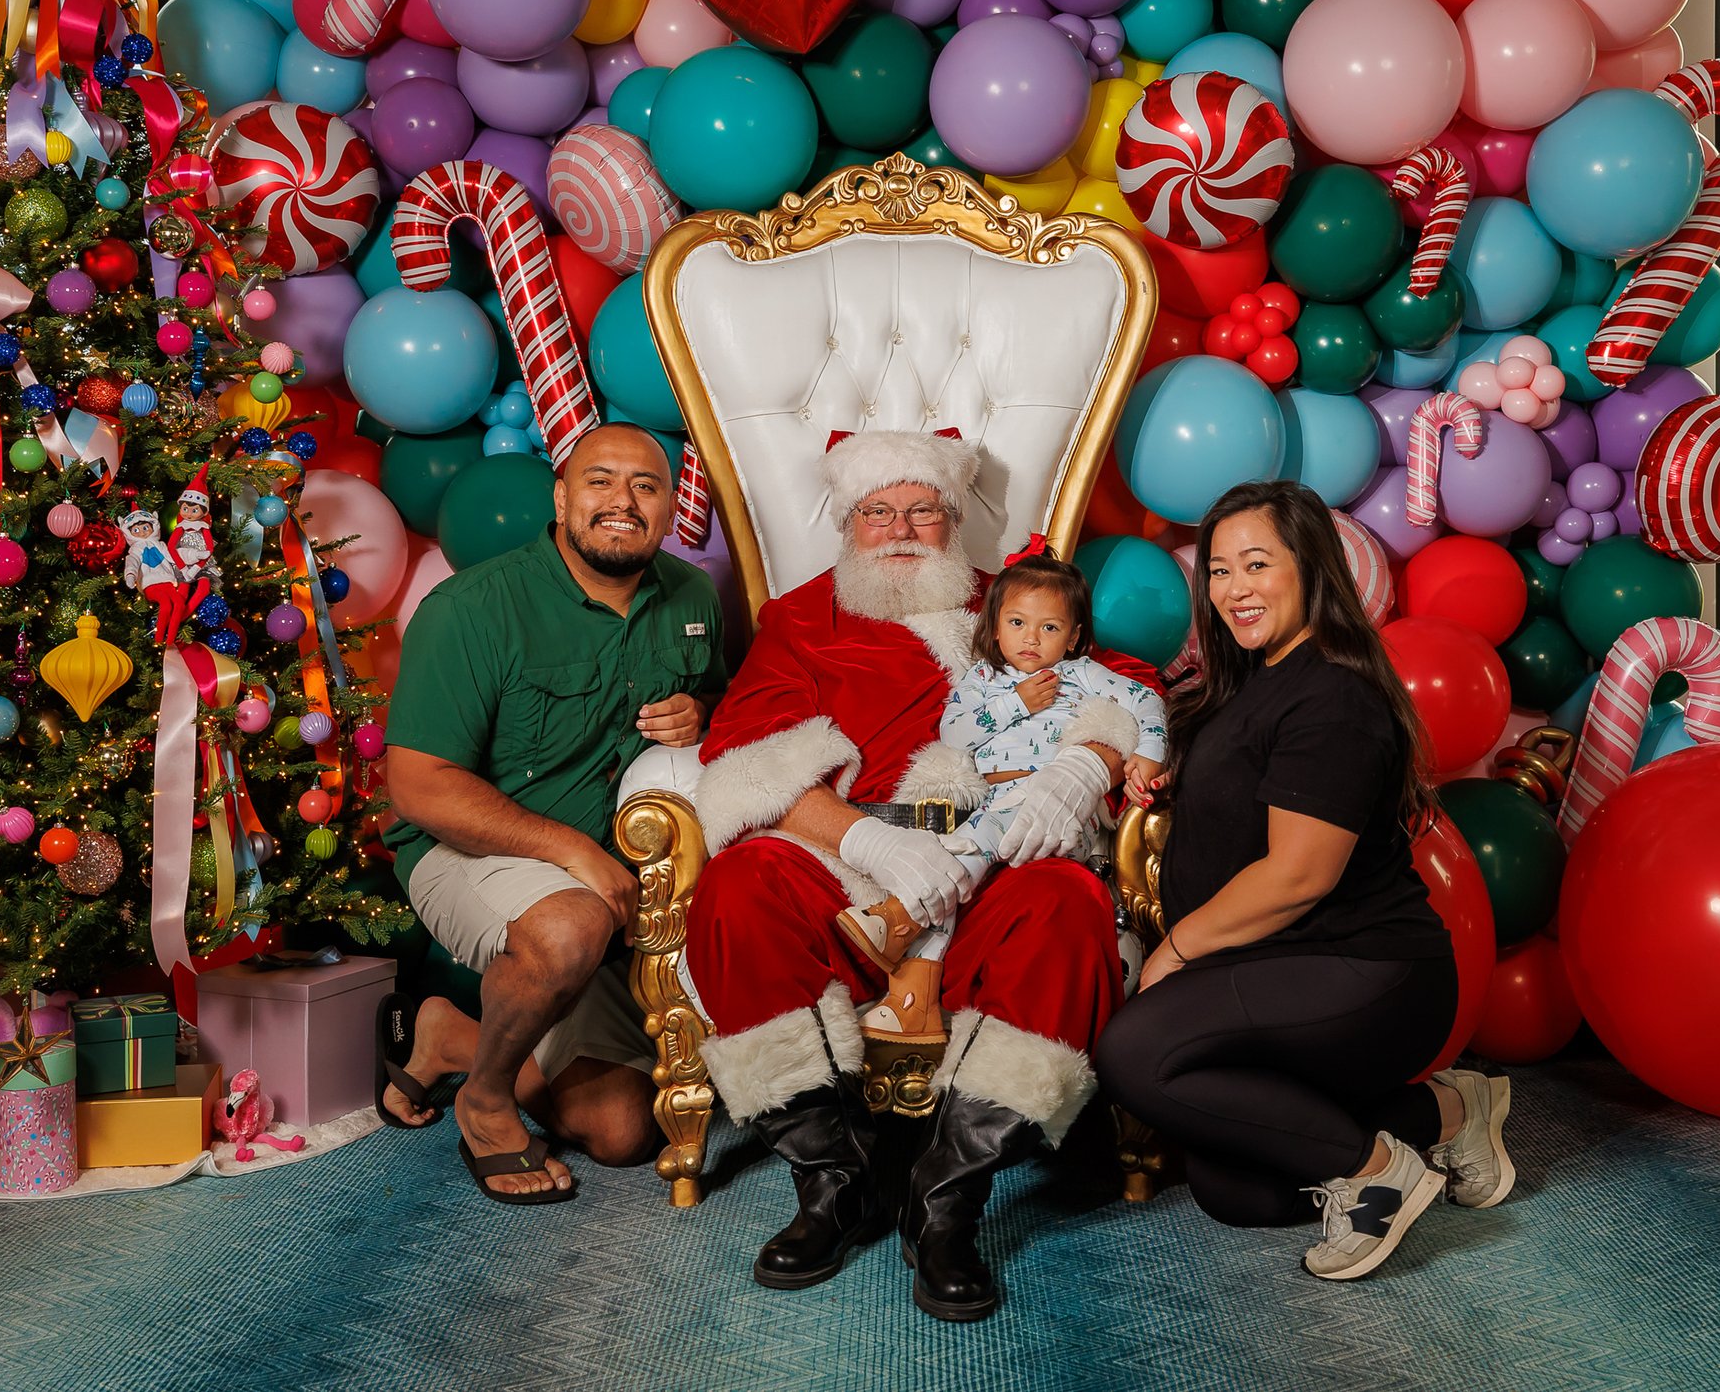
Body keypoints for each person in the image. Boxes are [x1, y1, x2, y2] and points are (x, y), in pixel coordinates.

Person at [682, 429, 1135, 1321]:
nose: (900, 527)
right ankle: (832, 1181)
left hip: (994, 860)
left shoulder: (1013, 604)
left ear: (954, 519)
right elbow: (741, 755)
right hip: (850, 870)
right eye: (877, 510)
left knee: (1069, 900)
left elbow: (1122, 688)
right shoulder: (803, 617)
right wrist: (865, 843)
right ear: (847, 522)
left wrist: (1086, 764)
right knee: (737, 887)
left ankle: (946, 1199)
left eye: (922, 509)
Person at [1094, 480, 1515, 1281]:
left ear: (1310, 566)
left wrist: (1177, 949)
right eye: (1218, 571)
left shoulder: (1335, 694)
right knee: (1235, 1187)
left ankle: (1377, 1174)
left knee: (1135, 1053)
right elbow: (1258, 794)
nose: (1233, 590)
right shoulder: (1253, 682)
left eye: (1257, 564)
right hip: (1277, 967)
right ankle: (1452, 1109)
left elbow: (1298, 874)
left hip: (1368, 971)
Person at [377, 423, 726, 1203]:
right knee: (567, 924)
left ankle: (447, 1037)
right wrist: (574, 852)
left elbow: (722, 715)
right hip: (465, 848)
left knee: (623, 1133)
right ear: (562, 497)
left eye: (645, 486)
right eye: (600, 481)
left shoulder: (692, 599)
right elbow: (422, 787)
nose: (622, 501)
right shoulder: (471, 606)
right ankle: (486, 1099)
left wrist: (699, 714)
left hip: (609, 890)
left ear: (671, 508)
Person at [840, 540, 1167, 1047]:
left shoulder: (1079, 674)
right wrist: (1016, 702)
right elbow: (955, 735)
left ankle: (905, 914)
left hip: (1055, 809)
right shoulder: (982, 681)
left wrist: (1149, 752)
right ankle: (912, 1007)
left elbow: (1145, 698)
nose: (1031, 639)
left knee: (954, 858)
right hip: (992, 802)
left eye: (1050, 627)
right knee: (943, 861)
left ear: (1075, 636)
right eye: (1017, 623)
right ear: (995, 627)